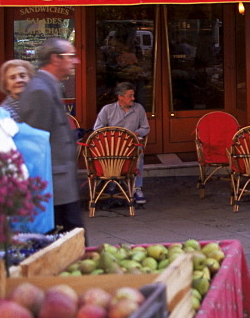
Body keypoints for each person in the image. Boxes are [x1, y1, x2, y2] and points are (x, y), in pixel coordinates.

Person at [19, 37, 84, 234]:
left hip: (60, 184)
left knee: (73, 241)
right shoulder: (39, 90)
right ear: (55, 59)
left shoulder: (50, 86)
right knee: (67, 244)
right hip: (52, 187)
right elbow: (34, 144)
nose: (76, 61)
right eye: (71, 56)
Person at [93, 81, 151, 206]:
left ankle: (137, 188)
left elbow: (146, 128)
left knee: (139, 154)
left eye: (133, 95)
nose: (133, 98)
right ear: (120, 97)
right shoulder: (108, 109)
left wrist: (136, 133)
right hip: (112, 147)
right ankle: (111, 183)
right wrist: (112, 135)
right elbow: (97, 129)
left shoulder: (138, 108)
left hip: (130, 145)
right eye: (130, 96)